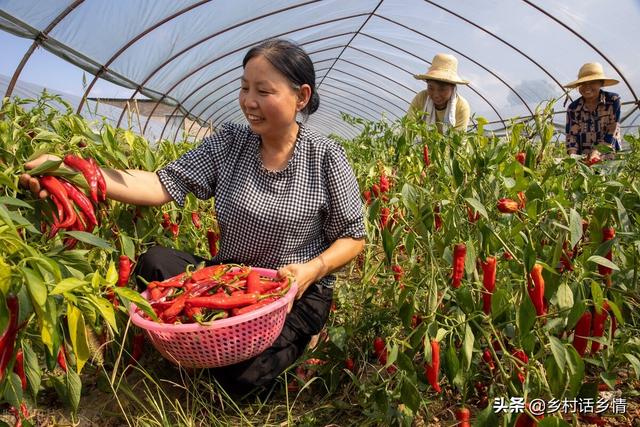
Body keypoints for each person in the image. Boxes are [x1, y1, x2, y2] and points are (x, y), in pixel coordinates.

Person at [19, 39, 366, 396]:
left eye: (264, 91)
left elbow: (354, 235)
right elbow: (159, 184)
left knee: (241, 382)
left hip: (292, 290)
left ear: (302, 96)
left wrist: (313, 270)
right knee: (155, 264)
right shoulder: (232, 141)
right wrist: (76, 172)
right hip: (231, 281)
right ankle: (219, 346)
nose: (249, 101)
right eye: (245, 88)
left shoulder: (325, 157)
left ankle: (299, 342)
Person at [564, 62, 621, 162]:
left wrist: (596, 152)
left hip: (608, 159)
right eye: (583, 83)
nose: (587, 87)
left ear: (601, 83)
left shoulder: (612, 101)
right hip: (583, 162)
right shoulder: (573, 108)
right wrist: (573, 157)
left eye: (592, 82)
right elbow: (571, 136)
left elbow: (612, 131)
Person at [408, 53, 471, 133]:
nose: (436, 95)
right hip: (423, 144)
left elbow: (457, 141)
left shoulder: (461, 106)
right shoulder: (421, 98)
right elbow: (408, 128)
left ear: (453, 88)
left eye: (442, 89)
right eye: (431, 88)